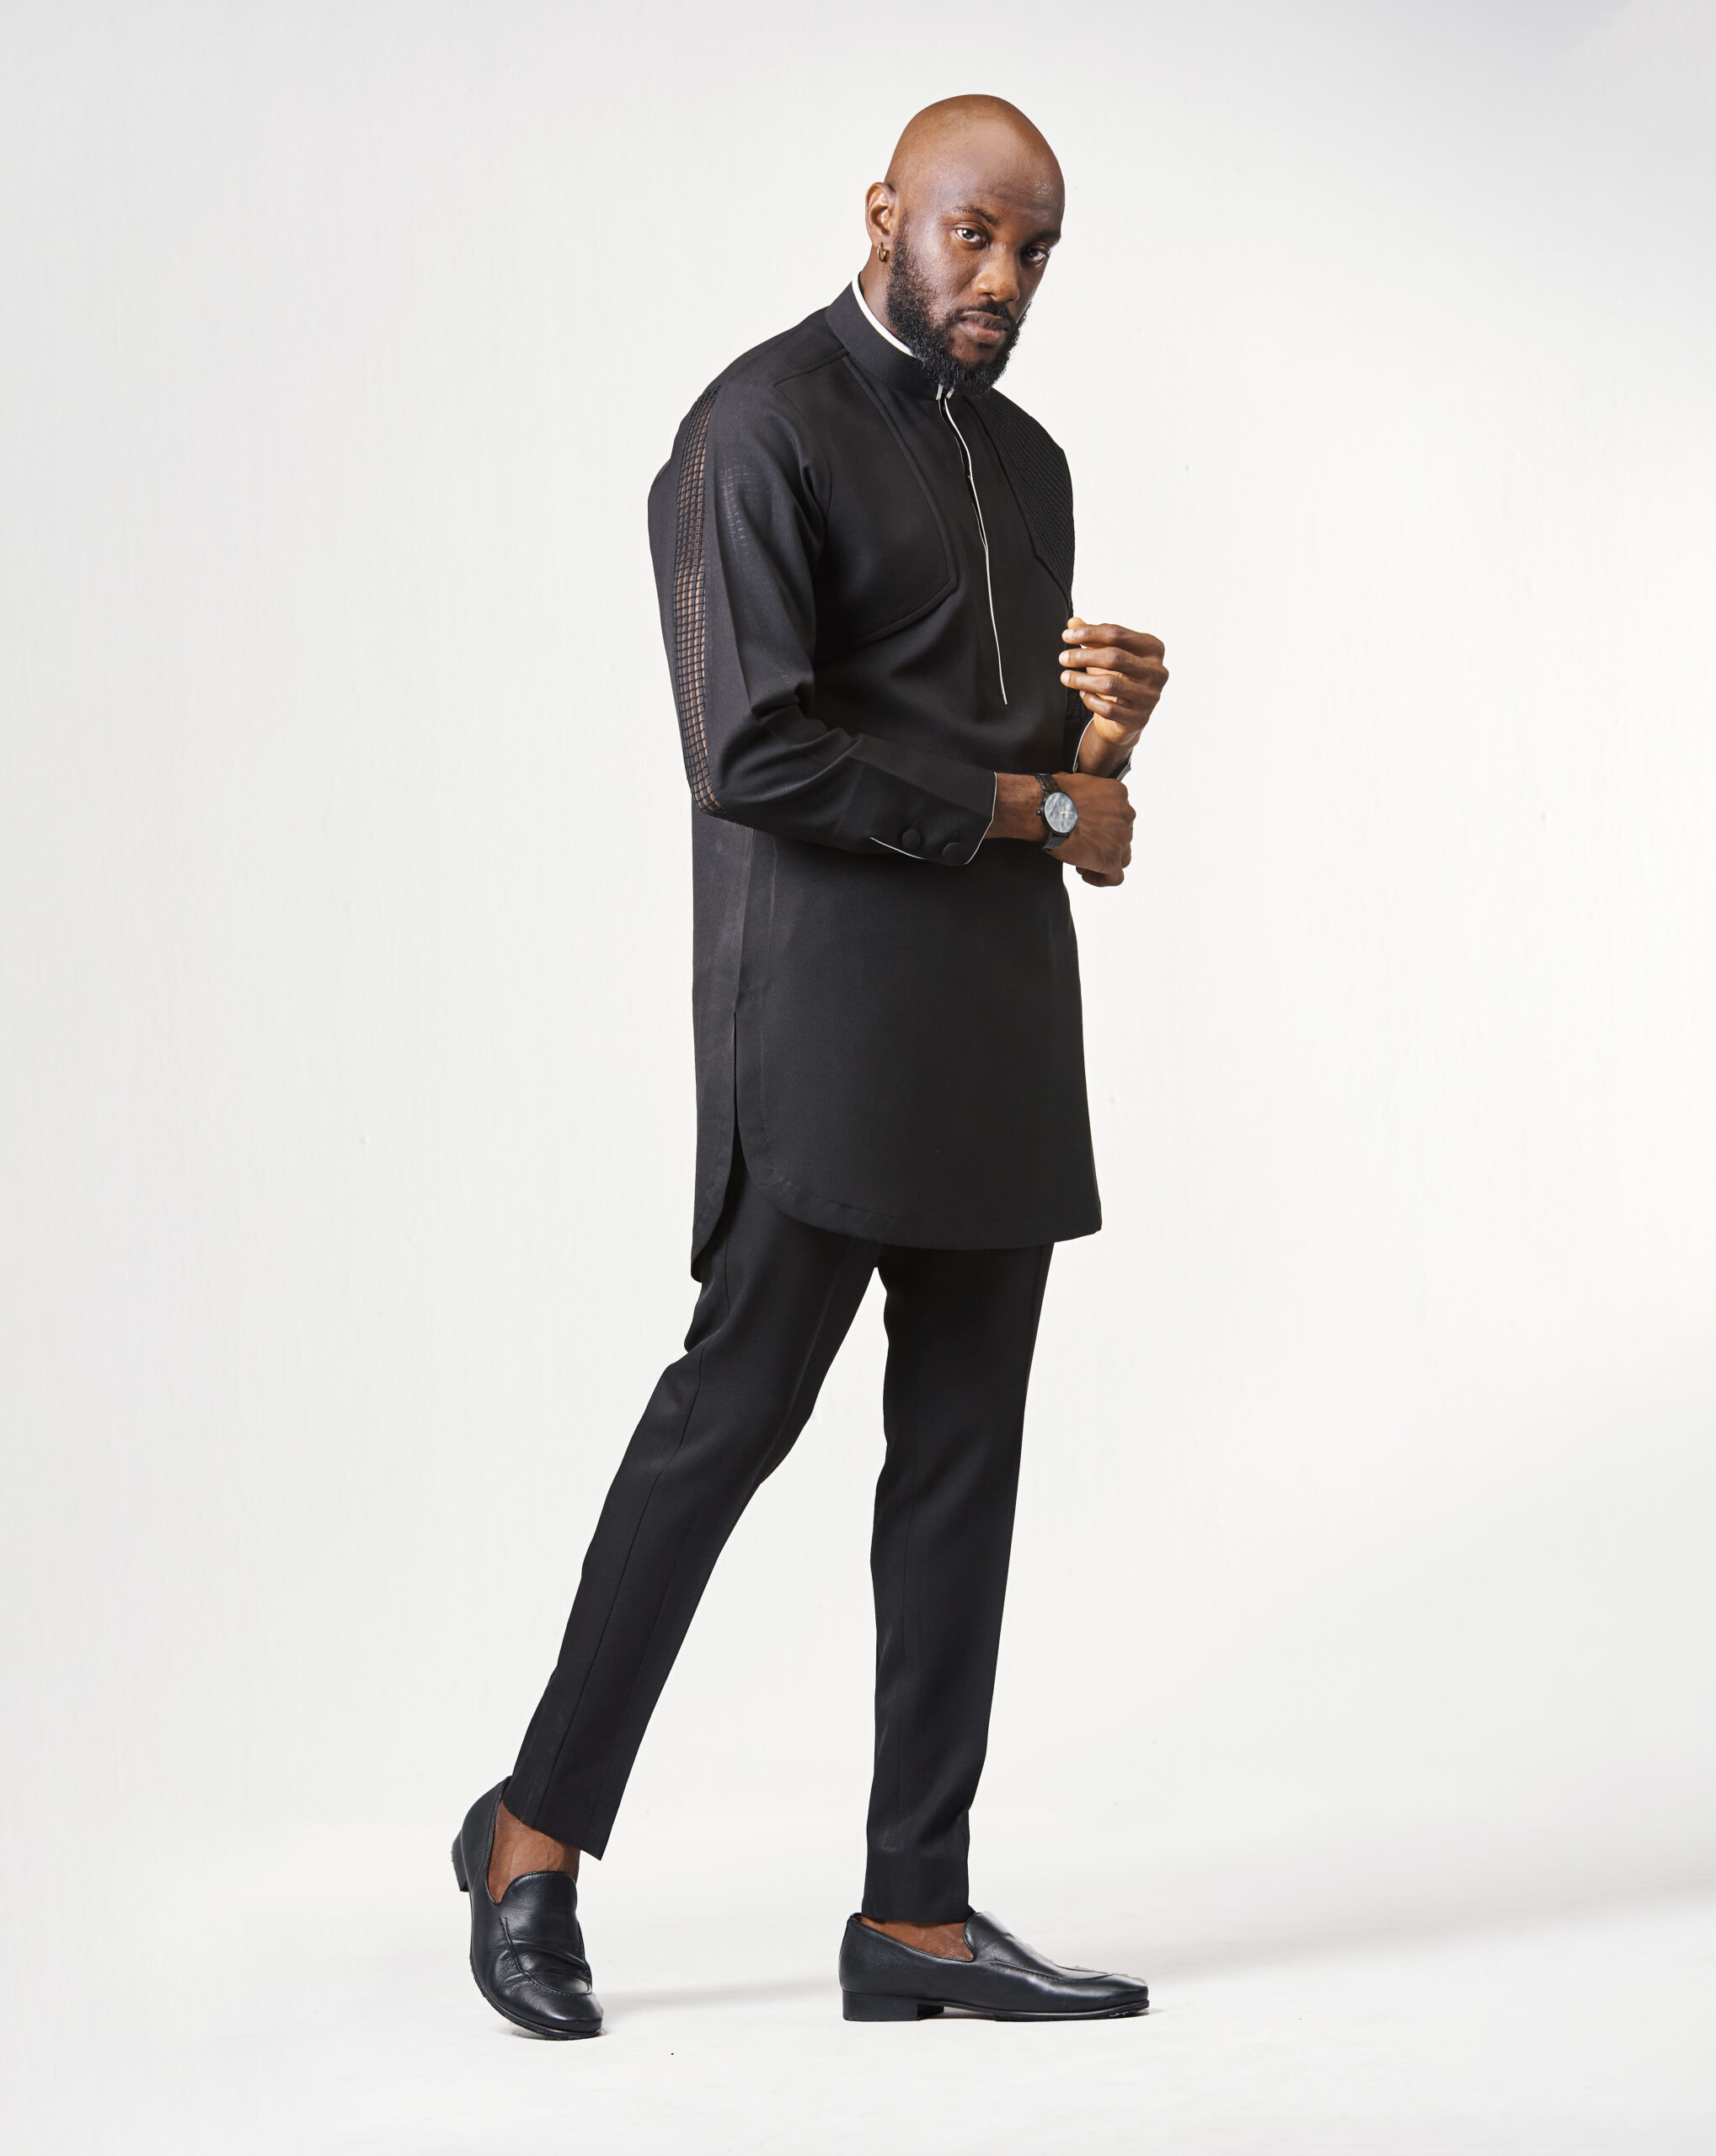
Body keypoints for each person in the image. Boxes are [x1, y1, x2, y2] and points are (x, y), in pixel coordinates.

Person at [454, 93, 1170, 2034]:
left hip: (998, 1020)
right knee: (729, 1420)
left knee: (962, 1463)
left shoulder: (1028, 460)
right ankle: (530, 1835)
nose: (1001, 278)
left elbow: (1038, 785)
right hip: (829, 1022)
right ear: (883, 214)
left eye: (1033, 251)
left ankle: (914, 1914)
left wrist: (1104, 748)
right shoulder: (752, 429)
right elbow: (748, 753)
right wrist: (1034, 804)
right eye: (972, 235)